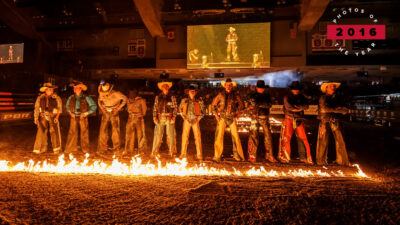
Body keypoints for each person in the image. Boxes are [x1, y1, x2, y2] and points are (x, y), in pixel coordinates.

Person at [316, 82, 351, 166]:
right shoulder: (323, 98)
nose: (333, 88)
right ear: (326, 88)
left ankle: (342, 161)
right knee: (323, 141)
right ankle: (321, 161)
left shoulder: (336, 97)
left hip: (334, 120)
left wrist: (339, 109)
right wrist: (339, 110)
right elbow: (325, 109)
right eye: (331, 86)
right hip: (325, 121)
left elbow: (332, 108)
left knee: (340, 140)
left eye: (334, 86)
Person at [278, 81, 313, 164]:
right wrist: (300, 108)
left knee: (303, 138)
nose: (296, 90)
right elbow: (289, 107)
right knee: (286, 137)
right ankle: (285, 157)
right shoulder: (287, 97)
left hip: (298, 118)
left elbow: (306, 106)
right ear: (291, 90)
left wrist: (296, 107)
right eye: (294, 89)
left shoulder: (302, 97)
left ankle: (305, 157)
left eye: (297, 89)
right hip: (289, 118)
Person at [211, 78, 244, 161]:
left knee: (236, 136)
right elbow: (213, 106)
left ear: (232, 86)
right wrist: (217, 116)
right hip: (222, 117)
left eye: (230, 85)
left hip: (232, 117)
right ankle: (217, 155)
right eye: (227, 85)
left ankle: (237, 155)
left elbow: (241, 106)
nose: (228, 86)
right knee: (219, 136)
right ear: (225, 85)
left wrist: (238, 114)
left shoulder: (236, 95)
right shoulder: (220, 95)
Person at [247, 80, 277, 163]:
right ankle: (252, 156)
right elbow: (256, 104)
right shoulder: (253, 95)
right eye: (260, 88)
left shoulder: (266, 96)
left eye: (262, 88)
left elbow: (269, 105)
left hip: (263, 117)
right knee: (253, 136)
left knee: (268, 136)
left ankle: (270, 155)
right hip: (255, 118)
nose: (261, 89)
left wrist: (258, 104)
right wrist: (263, 104)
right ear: (257, 88)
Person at [64, 81, 97, 154]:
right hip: (73, 116)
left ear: (81, 89)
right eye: (74, 88)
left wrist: (86, 113)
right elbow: (67, 106)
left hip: (83, 117)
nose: (75, 89)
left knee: (84, 133)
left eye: (77, 88)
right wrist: (70, 112)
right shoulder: (71, 97)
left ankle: (85, 149)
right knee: (72, 132)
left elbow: (94, 106)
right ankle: (71, 148)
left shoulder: (86, 97)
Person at [97, 82, 127, 155]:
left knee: (115, 131)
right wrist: (102, 108)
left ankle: (116, 149)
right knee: (103, 131)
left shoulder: (117, 94)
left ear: (110, 90)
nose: (105, 94)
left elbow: (125, 99)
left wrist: (118, 108)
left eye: (107, 92)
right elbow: (99, 101)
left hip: (114, 112)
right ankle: (101, 149)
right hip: (105, 113)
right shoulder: (101, 93)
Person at [33, 83, 62, 154]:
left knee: (54, 131)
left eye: (51, 89)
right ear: (45, 90)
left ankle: (56, 148)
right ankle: (41, 148)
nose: (50, 90)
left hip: (53, 116)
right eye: (48, 89)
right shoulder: (40, 98)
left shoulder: (57, 98)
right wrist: (36, 118)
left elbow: (60, 109)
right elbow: (36, 108)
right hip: (43, 116)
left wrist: (57, 117)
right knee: (41, 132)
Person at [151, 81, 178, 158]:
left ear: (168, 88)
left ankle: (172, 152)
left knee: (171, 135)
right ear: (162, 88)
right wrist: (154, 117)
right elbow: (155, 107)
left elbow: (175, 107)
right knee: (157, 135)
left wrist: (174, 117)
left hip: (169, 118)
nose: (165, 88)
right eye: (164, 86)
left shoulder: (172, 97)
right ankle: (154, 152)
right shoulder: (158, 97)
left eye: (167, 86)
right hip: (160, 118)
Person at [179, 84, 205, 160]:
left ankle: (199, 155)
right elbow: (180, 108)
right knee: (185, 137)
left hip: (195, 120)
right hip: (187, 120)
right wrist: (183, 117)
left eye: (193, 91)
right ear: (188, 92)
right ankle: (183, 154)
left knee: (197, 137)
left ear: (195, 92)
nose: (192, 92)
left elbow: (203, 111)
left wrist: (198, 118)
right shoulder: (184, 100)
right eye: (191, 91)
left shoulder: (199, 101)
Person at [124, 89, 147, 156]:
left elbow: (144, 111)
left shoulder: (141, 100)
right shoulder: (128, 100)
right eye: (130, 94)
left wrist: (141, 115)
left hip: (138, 118)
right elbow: (128, 109)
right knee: (129, 134)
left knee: (140, 134)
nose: (131, 95)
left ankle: (141, 150)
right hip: (131, 118)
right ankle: (129, 149)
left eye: (132, 93)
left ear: (135, 94)